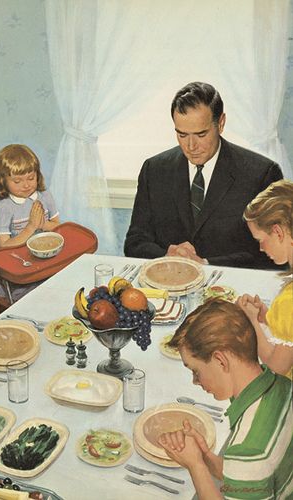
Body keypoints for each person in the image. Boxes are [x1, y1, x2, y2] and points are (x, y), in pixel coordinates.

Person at [124, 82, 283, 269]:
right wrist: (167, 255)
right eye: (182, 135)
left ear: (221, 123)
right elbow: (134, 243)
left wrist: (206, 264)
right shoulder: (154, 169)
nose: (191, 146)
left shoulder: (261, 174)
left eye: (201, 134)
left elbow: (276, 255)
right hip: (169, 287)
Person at [160, 299, 292, 499]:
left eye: (196, 371)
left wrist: (196, 466)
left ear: (221, 361)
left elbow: (251, 462)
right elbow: (257, 477)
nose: (195, 382)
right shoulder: (283, 386)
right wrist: (208, 461)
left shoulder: (248, 449)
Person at [237, 180, 293, 379]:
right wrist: (266, 318)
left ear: (278, 232)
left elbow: (277, 366)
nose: (261, 249)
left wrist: (252, 322)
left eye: (261, 240)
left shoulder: (289, 300)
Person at [0, 144, 60, 248]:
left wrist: (44, 225)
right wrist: (31, 227)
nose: (26, 185)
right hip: (13, 254)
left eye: (31, 178)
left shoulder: (45, 195)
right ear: (3, 181)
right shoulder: (2, 208)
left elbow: (59, 228)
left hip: (41, 248)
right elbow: (4, 246)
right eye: (17, 181)